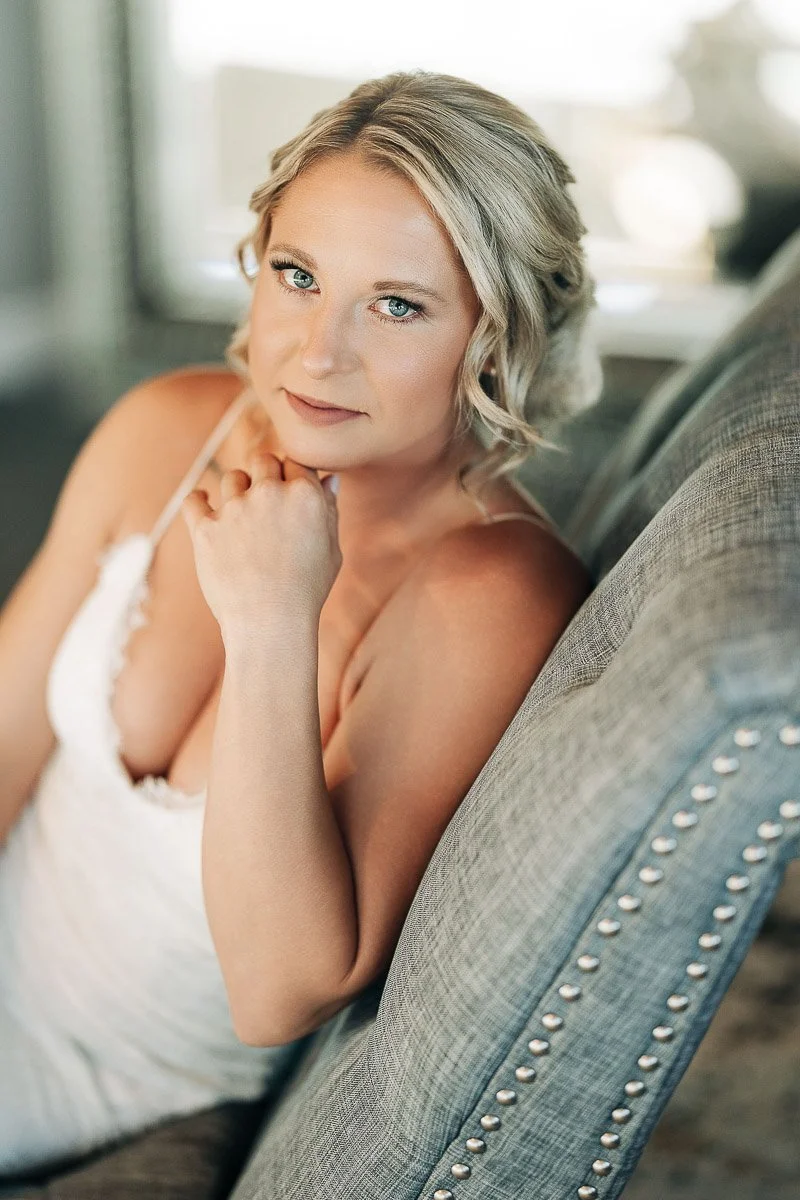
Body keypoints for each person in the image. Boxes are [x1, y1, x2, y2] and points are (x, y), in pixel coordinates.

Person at [0, 68, 601, 1176]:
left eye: (398, 304)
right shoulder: (168, 427)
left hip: (88, 1080)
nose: (315, 354)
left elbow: (279, 988)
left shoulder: (488, 592)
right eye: (297, 276)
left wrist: (272, 621)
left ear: (494, 335)